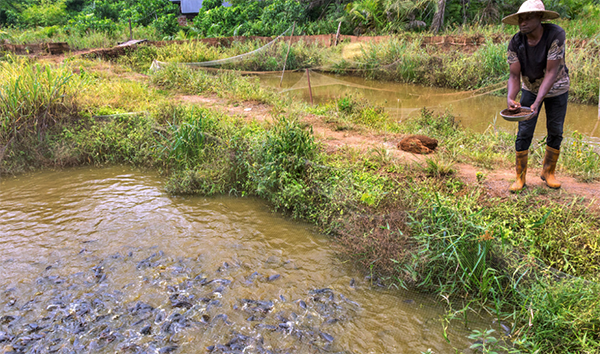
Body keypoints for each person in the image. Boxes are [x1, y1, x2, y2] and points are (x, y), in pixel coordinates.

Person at [502, 0, 569, 192]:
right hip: (530, 88)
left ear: (540, 17)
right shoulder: (516, 42)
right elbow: (514, 75)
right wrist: (510, 98)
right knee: (524, 130)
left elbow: (551, 72)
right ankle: (520, 177)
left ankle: (548, 172)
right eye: (520, 19)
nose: (522, 22)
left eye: (528, 18)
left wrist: (538, 102)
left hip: (557, 88)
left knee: (555, 129)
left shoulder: (555, 35)